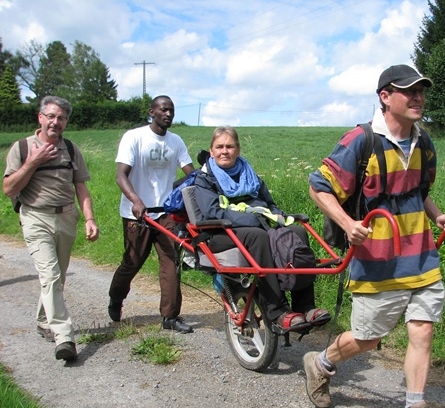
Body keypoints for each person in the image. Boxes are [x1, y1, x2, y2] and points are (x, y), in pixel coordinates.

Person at [305, 65, 445, 408]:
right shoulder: (362, 140)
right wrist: (346, 222)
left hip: (422, 254)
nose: (418, 98)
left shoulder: (424, 141)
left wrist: (437, 215)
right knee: (368, 338)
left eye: (422, 92)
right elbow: (318, 186)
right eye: (408, 91)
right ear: (385, 96)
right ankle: (321, 362)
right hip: (376, 259)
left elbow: (417, 191)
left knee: (422, 329)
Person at [194, 126, 330, 331]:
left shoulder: (249, 174)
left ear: (238, 150)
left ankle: (305, 306)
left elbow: (269, 203)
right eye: (219, 147)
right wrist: (251, 219)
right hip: (219, 233)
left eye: (230, 146)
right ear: (211, 151)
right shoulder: (204, 178)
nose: (225, 151)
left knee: (297, 232)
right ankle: (277, 311)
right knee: (258, 236)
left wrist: (281, 216)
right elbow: (212, 212)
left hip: (257, 225)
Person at [3, 95, 100, 361]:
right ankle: (64, 336)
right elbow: (9, 188)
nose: (55, 122)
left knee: (58, 274)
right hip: (35, 218)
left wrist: (90, 219)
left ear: (66, 121)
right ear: (40, 118)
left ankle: (44, 320)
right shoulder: (22, 147)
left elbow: (81, 186)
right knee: (51, 275)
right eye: (51, 116)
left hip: (66, 217)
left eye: (61, 118)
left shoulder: (70, 148)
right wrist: (33, 161)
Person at [108, 95, 195, 333]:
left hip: (165, 213)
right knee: (132, 263)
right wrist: (136, 200)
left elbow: (191, 173)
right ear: (152, 112)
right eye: (163, 110)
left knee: (171, 262)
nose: (168, 114)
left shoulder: (176, 141)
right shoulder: (134, 137)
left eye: (172, 110)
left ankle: (170, 317)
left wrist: (173, 190)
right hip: (137, 213)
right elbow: (121, 175)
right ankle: (116, 297)